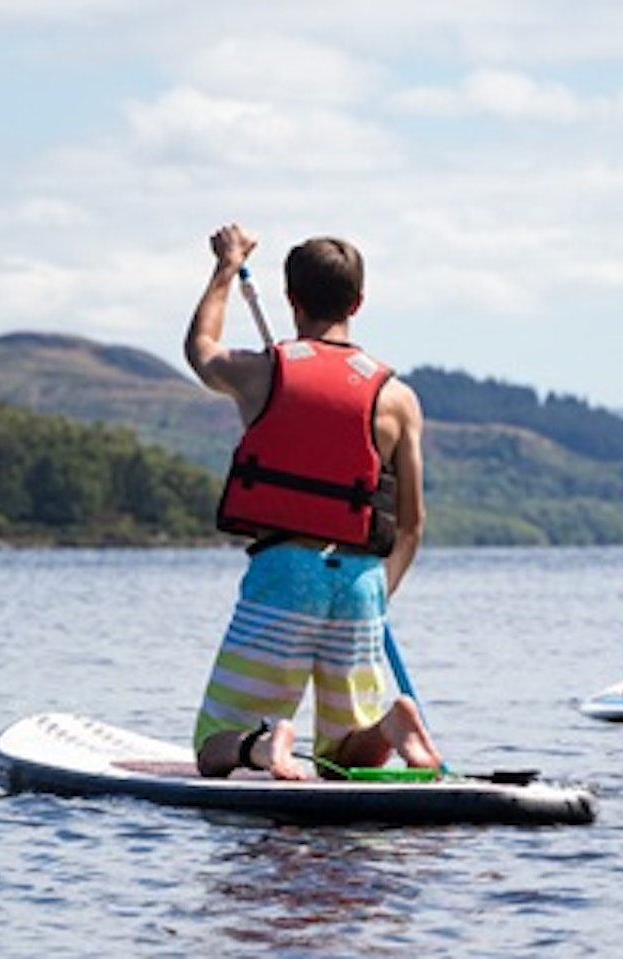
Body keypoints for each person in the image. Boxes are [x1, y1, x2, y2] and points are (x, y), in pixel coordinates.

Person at [184, 223, 443, 781]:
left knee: (212, 748)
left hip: (284, 575)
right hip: (360, 584)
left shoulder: (262, 373)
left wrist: (227, 266)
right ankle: (391, 727)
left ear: (291, 299)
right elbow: (413, 525)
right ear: (359, 302)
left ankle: (262, 743)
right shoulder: (398, 398)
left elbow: (200, 350)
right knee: (340, 757)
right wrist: (377, 597)